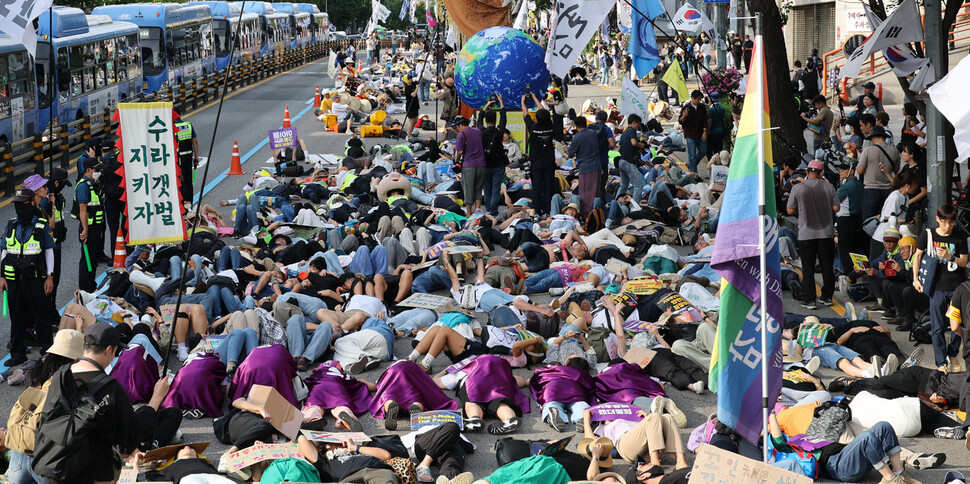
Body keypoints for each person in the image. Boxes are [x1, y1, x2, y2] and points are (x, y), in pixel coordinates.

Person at [34, 323, 175, 483]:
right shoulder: (110, 387)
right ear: (108, 350)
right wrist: (157, 398)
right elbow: (132, 433)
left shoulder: (61, 375)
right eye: (115, 352)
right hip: (90, 471)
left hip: (55, 463)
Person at [1, 189, 57, 366]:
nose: (19, 208)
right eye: (16, 205)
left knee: (41, 315)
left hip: (35, 279)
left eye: (22, 204)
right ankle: (17, 353)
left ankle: (48, 351)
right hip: (14, 280)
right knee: (16, 316)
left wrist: (50, 276)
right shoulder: (10, 225)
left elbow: (49, 252)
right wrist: (2, 276)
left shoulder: (41, 225)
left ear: (31, 203)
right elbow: (4, 251)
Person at [913, 204, 968, 373]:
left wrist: (950, 257)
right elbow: (917, 255)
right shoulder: (928, 234)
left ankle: (953, 353)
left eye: (951, 222)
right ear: (937, 219)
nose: (947, 226)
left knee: (956, 324)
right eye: (944, 222)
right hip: (936, 287)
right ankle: (940, 362)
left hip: (957, 287)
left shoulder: (960, 236)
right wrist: (915, 278)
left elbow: (964, 262)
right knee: (937, 327)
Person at [787, 160, 839, 309]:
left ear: (806, 172)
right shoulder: (829, 187)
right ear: (821, 173)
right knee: (827, 266)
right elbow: (836, 207)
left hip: (806, 234)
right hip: (826, 233)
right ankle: (827, 297)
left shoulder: (798, 188)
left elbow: (790, 210)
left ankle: (810, 299)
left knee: (808, 267)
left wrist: (803, 209)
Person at [522, 94, 562, 216]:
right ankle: (547, 210)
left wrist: (523, 101)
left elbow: (525, 113)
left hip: (536, 162)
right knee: (548, 186)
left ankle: (537, 211)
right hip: (549, 161)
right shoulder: (550, 126)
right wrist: (535, 98)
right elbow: (543, 111)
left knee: (537, 187)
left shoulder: (533, 127)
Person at [73, 158, 104, 292]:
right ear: (88, 170)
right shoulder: (83, 186)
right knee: (87, 259)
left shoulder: (94, 184)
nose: (98, 172)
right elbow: (83, 210)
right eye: (96, 169)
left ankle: (91, 286)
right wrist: (85, 229)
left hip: (96, 227)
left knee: (93, 258)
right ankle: (85, 289)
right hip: (88, 228)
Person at [857, 126, 900, 220]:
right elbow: (896, 170)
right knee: (885, 218)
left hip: (871, 190)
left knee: (868, 221)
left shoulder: (868, 150)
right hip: (888, 189)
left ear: (874, 137)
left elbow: (860, 171)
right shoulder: (895, 150)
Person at [566, 117, 602, 217]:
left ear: (576, 126)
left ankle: (587, 216)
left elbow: (570, 153)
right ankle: (596, 215)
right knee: (595, 192)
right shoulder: (593, 133)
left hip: (586, 168)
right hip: (597, 167)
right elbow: (597, 126)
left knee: (586, 195)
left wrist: (564, 146)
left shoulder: (577, 137)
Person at [478, 95, 508, 215]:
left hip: (485, 163)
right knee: (496, 188)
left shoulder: (481, 131)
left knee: (487, 187)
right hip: (498, 163)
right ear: (495, 121)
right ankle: (493, 210)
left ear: (486, 120)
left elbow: (479, 117)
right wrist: (501, 101)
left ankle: (488, 209)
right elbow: (504, 117)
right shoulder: (499, 131)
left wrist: (487, 105)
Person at [454, 115, 487, 216]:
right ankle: (478, 210)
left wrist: (456, 159)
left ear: (460, 125)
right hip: (481, 164)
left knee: (468, 189)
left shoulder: (461, 134)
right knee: (478, 188)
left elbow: (460, 151)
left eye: (456, 126)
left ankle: (469, 213)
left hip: (469, 165)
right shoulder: (478, 131)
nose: (456, 128)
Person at [617, 114, 646, 203]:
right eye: (638, 124)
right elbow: (633, 143)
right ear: (633, 123)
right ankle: (635, 207)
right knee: (639, 185)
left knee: (623, 185)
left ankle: (617, 202)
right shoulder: (632, 130)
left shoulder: (624, 133)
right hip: (628, 162)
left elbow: (619, 148)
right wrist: (640, 145)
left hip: (621, 162)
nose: (638, 127)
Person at [678, 90, 707, 173]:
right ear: (692, 98)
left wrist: (705, 132)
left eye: (700, 99)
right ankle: (694, 173)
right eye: (697, 99)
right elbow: (680, 121)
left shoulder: (702, 107)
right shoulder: (686, 108)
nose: (699, 101)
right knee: (692, 155)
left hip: (700, 133)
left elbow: (705, 120)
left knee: (703, 151)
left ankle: (691, 166)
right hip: (690, 134)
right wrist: (684, 116)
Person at [174, 116, 199, 208]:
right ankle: (189, 202)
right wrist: (196, 157)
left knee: (181, 181)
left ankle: (183, 204)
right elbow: (195, 141)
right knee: (189, 180)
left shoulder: (172, 126)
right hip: (188, 157)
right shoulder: (188, 125)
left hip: (179, 158)